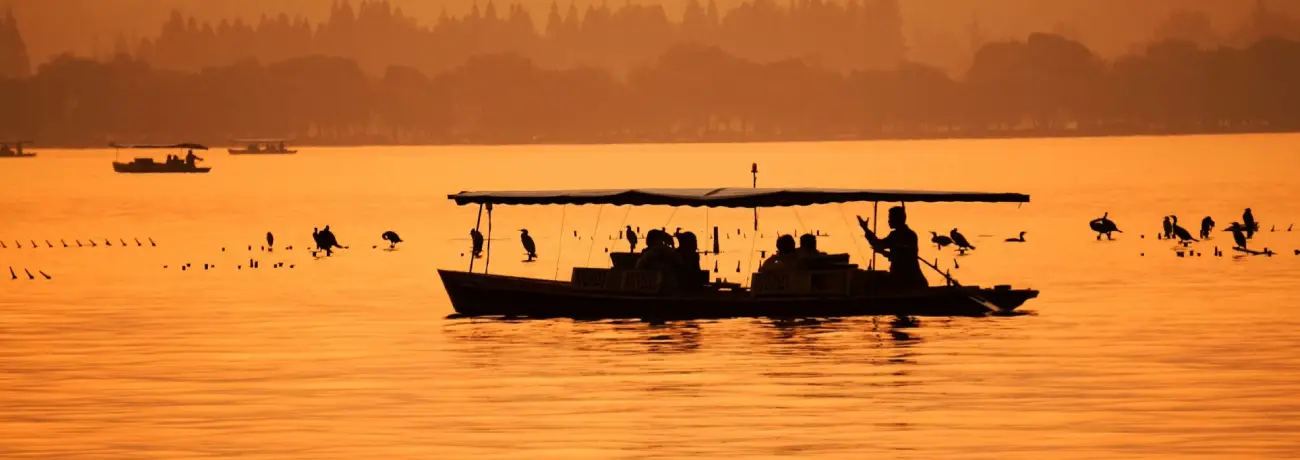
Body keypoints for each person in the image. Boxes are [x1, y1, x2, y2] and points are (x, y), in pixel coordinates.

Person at [859, 206, 928, 290]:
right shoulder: (895, 235)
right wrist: (866, 229)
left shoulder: (908, 235)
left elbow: (903, 255)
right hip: (899, 275)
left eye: (890, 218)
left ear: (897, 219)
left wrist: (883, 252)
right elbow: (879, 243)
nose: (889, 221)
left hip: (907, 277)